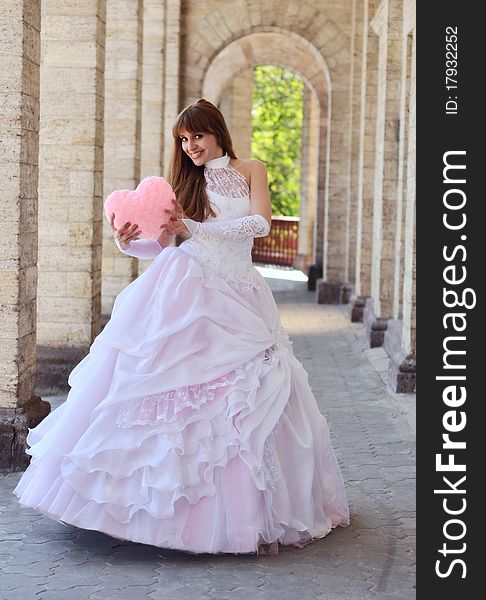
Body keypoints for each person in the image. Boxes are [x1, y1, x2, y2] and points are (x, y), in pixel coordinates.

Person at [13, 98, 349, 556]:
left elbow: (260, 223)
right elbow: (164, 245)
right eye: (183, 140)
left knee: (252, 393)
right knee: (163, 384)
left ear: (216, 131)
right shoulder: (183, 183)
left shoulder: (251, 168)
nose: (190, 146)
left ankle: (250, 512)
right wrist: (127, 243)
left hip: (240, 293)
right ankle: (142, 508)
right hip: (187, 286)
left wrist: (194, 225)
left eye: (197, 136)